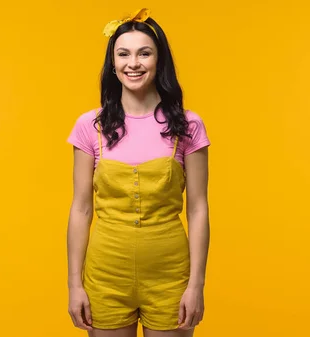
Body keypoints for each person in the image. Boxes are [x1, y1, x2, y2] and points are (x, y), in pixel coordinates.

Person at [66, 8, 211, 337]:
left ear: (159, 61)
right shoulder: (90, 126)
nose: (133, 63)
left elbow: (199, 208)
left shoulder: (189, 125)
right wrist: (74, 284)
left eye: (144, 53)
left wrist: (196, 285)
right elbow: (81, 208)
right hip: (105, 274)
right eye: (123, 54)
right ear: (112, 63)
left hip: (171, 275)